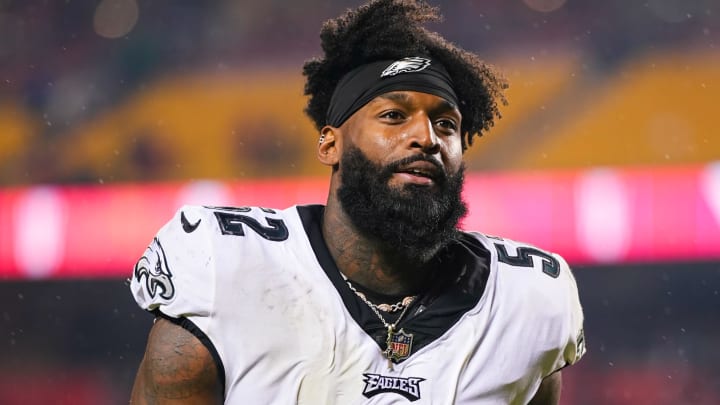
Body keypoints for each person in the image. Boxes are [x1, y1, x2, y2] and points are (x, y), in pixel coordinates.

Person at [129, 0, 586, 403]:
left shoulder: (529, 300)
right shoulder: (225, 267)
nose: (426, 138)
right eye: (394, 115)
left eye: (446, 125)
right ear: (330, 145)